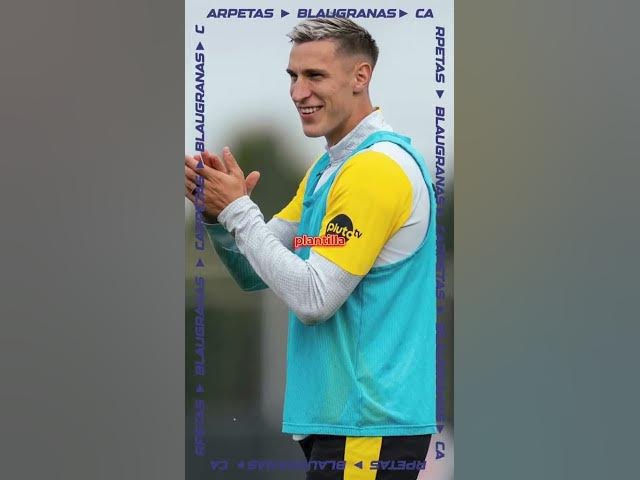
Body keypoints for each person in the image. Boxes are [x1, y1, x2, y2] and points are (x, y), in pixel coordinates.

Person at [184, 18, 437, 480]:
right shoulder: (329, 170)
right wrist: (220, 217)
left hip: (368, 424)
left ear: (361, 76)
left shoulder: (374, 172)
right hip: (345, 425)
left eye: (315, 75)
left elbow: (314, 298)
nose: (299, 92)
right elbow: (256, 271)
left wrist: (240, 211)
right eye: (293, 76)